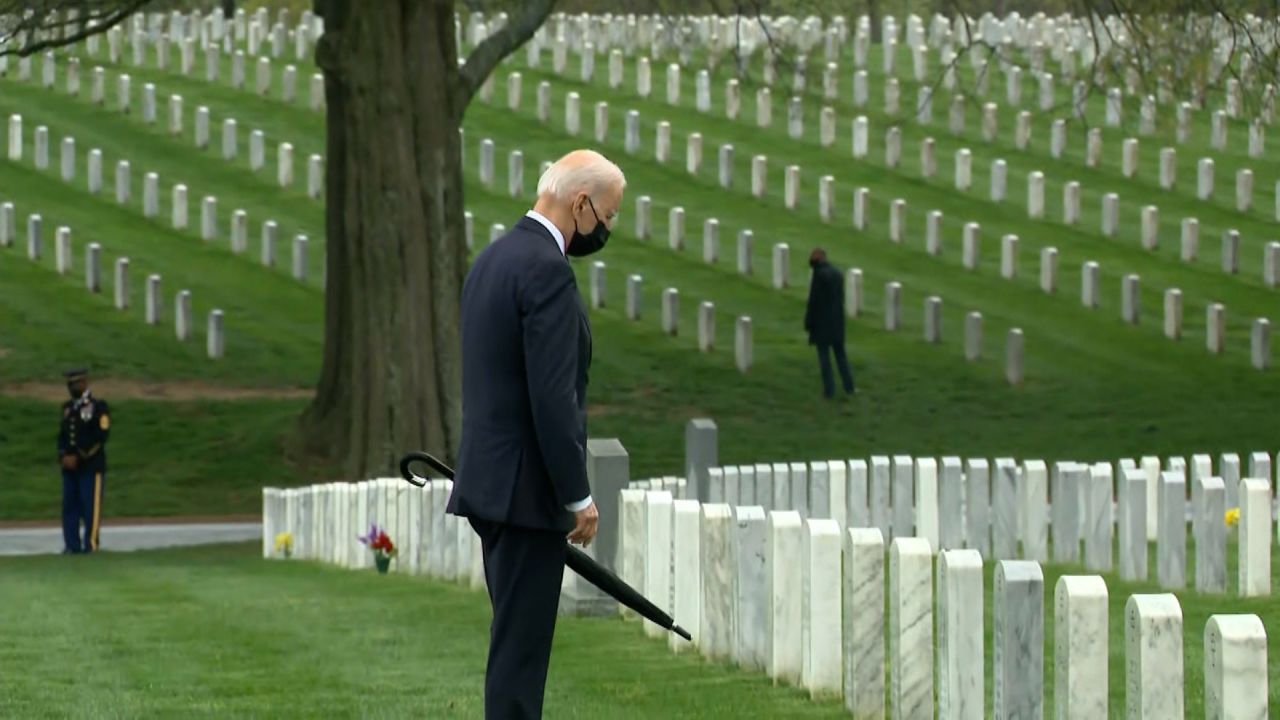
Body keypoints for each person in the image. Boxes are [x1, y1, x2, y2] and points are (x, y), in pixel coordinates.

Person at [447, 148, 625, 719]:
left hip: (492, 486)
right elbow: (553, 398)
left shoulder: (495, 257)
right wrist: (578, 495)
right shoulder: (547, 270)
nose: (608, 228)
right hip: (526, 494)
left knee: (512, 652)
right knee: (520, 666)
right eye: (608, 216)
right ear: (581, 204)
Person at [57, 368, 111, 554]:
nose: (72, 387)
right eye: (70, 384)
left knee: (90, 508)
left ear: (84, 383)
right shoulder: (67, 408)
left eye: (75, 383)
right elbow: (63, 436)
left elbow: (100, 436)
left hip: (90, 465)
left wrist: (78, 456)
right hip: (69, 468)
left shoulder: (98, 407)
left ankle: (91, 545)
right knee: (69, 506)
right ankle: (71, 545)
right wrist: (63, 455)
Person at [804, 248, 856, 398]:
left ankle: (829, 390)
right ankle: (849, 387)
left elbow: (814, 301)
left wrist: (808, 322)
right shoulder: (838, 273)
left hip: (822, 324)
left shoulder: (819, 275)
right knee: (841, 356)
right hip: (837, 322)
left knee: (824, 358)